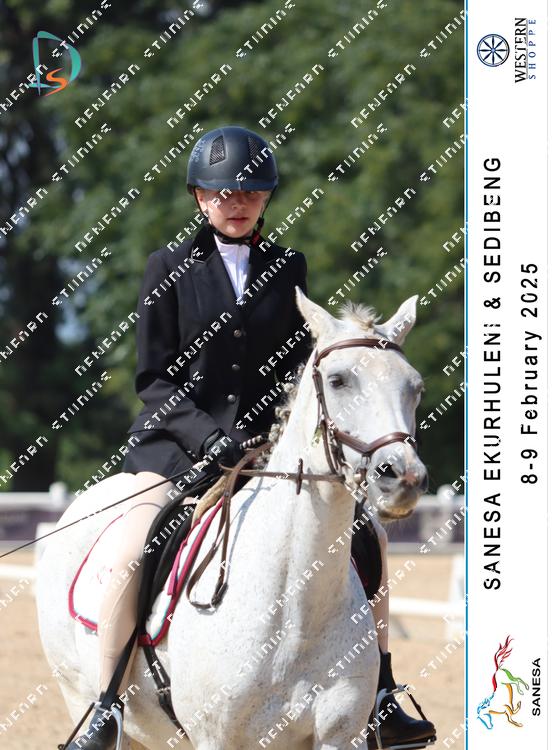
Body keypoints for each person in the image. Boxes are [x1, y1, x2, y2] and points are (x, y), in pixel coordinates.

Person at [67, 125, 435, 750]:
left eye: (249, 192)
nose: (235, 202)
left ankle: (381, 693)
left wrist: (276, 438)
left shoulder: (289, 268)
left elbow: (297, 372)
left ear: (265, 198)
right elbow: (153, 380)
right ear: (199, 197)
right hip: (177, 445)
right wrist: (208, 436)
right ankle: (107, 706)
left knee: (368, 536)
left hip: (267, 451)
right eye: (221, 193)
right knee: (134, 544)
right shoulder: (168, 268)